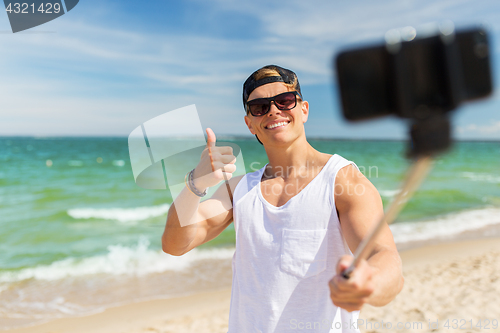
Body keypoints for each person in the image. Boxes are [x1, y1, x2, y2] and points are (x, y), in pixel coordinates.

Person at [162, 65, 404, 332]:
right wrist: (195, 183)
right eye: (259, 107)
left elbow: (383, 256)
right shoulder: (239, 189)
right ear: (250, 123)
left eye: (285, 101)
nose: (274, 111)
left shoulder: (341, 180)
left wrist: (368, 284)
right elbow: (175, 244)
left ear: (304, 109)